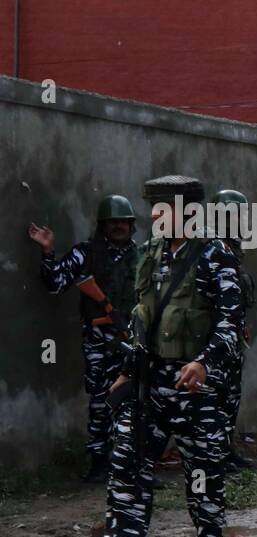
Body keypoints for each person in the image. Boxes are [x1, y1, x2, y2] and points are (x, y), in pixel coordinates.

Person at [77, 175, 243, 537]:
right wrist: (128, 366)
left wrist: (204, 364)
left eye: (161, 208)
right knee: (127, 464)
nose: (153, 216)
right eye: (152, 207)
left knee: (203, 473)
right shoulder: (151, 253)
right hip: (149, 383)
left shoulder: (214, 255)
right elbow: (142, 313)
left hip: (196, 387)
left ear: (186, 211)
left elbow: (231, 322)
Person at [29, 195, 141, 482]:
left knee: (136, 401)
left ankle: (132, 464)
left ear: (132, 225)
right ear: (103, 225)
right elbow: (55, 285)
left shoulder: (144, 257)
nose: (118, 227)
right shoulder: (85, 253)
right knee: (101, 401)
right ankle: (100, 462)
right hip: (98, 340)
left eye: (123, 222)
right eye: (112, 222)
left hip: (132, 339)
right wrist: (48, 251)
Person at [212, 189, 256, 470]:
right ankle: (215, 455)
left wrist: (241, 325)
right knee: (215, 397)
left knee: (230, 397)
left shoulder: (233, 247)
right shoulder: (211, 247)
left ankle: (226, 451)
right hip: (215, 338)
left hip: (233, 336)